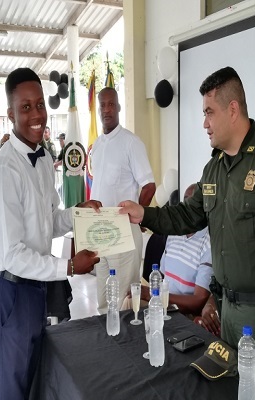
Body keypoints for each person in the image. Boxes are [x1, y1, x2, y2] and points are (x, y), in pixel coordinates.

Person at [119, 66, 255, 396]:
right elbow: (186, 216)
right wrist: (144, 214)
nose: (204, 123)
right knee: (232, 391)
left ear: (232, 110)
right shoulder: (214, 169)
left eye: (209, 112)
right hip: (227, 312)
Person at [0, 67, 101, 400]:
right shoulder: (4, 172)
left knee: (35, 381)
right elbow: (13, 255)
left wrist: (79, 214)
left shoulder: (45, 158)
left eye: (39, 105)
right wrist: (70, 267)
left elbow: (48, 221)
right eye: (25, 107)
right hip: (8, 290)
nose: (36, 115)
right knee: (11, 389)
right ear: (10, 114)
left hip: (36, 286)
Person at [91, 87, 156, 314]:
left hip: (124, 233)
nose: (107, 110)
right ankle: (105, 335)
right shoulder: (97, 146)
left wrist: (135, 217)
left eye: (111, 104)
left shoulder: (131, 142)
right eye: (102, 105)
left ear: (118, 107)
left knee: (124, 304)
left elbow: (149, 185)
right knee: (103, 301)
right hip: (101, 233)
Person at [128, 184, 213, 317]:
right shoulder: (174, 233)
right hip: (162, 305)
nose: (188, 207)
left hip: (184, 314)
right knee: (127, 303)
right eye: (185, 202)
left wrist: (152, 294)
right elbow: (162, 277)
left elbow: (198, 302)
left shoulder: (209, 243)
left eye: (193, 203)